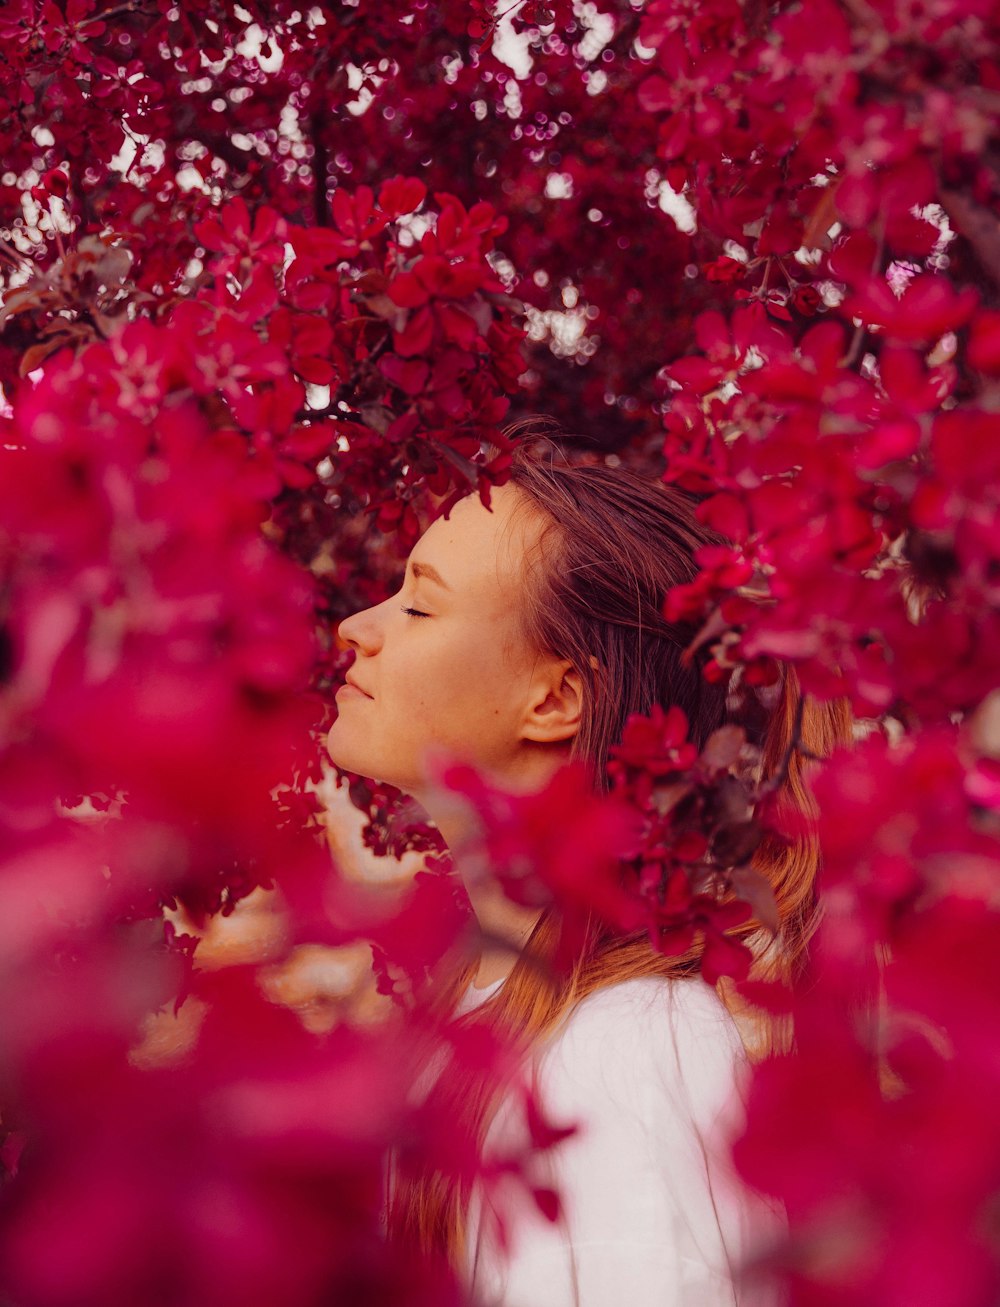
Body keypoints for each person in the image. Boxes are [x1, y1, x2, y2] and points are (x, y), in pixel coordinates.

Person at [325, 435, 854, 1306]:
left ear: (556, 700)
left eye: (420, 608)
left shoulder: (630, 1051)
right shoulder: (483, 1007)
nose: (358, 627)